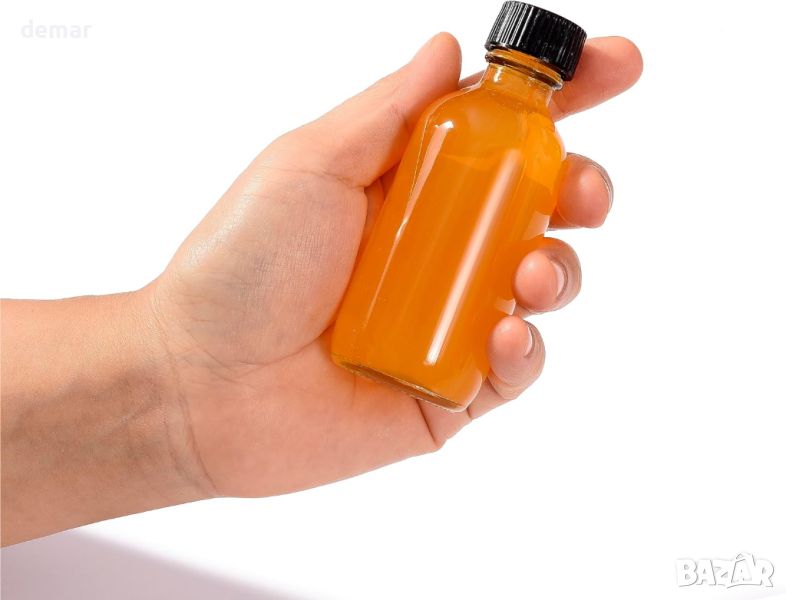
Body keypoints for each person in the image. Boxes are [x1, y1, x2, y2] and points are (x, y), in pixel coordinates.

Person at [0, 34, 642, 546]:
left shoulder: (529, 139)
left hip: (381, 361)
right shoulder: (460, 115)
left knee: (540, 262)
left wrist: (180, 385)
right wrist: (182, 373)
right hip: (359, 349)